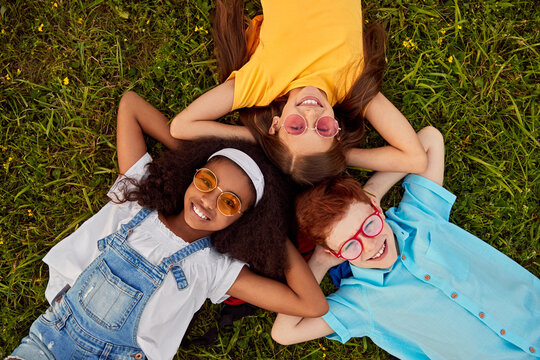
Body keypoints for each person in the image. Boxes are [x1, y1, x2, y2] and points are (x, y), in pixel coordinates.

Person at [8, 91, 328, 360]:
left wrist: (267, 230)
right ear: (193, 174)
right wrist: (197, 157)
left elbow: (311, 304)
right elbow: (131, 105)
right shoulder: (139, 197)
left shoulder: (217, 268)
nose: (207, 201)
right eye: (206, 181)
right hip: (48, 343)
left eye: (229, 202)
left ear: (242, 218)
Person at [271, 126, 540, 359]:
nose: (371, 245)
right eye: (351, 245)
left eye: (370, 225)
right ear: (336, 252)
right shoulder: (361, 300)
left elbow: (429, 139)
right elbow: (284, 333)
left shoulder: (418, 217)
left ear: (376, 209)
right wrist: (320, 262)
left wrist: (371, 191)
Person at [169, 0, 427, 184]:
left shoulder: (262, 83)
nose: (311, 114)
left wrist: (261, 140)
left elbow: (181, 126)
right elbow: (415, 159)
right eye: (323, 128)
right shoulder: (351, 83)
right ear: (337, 130)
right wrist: (335, 157)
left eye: (295, 127)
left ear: (276, 125)